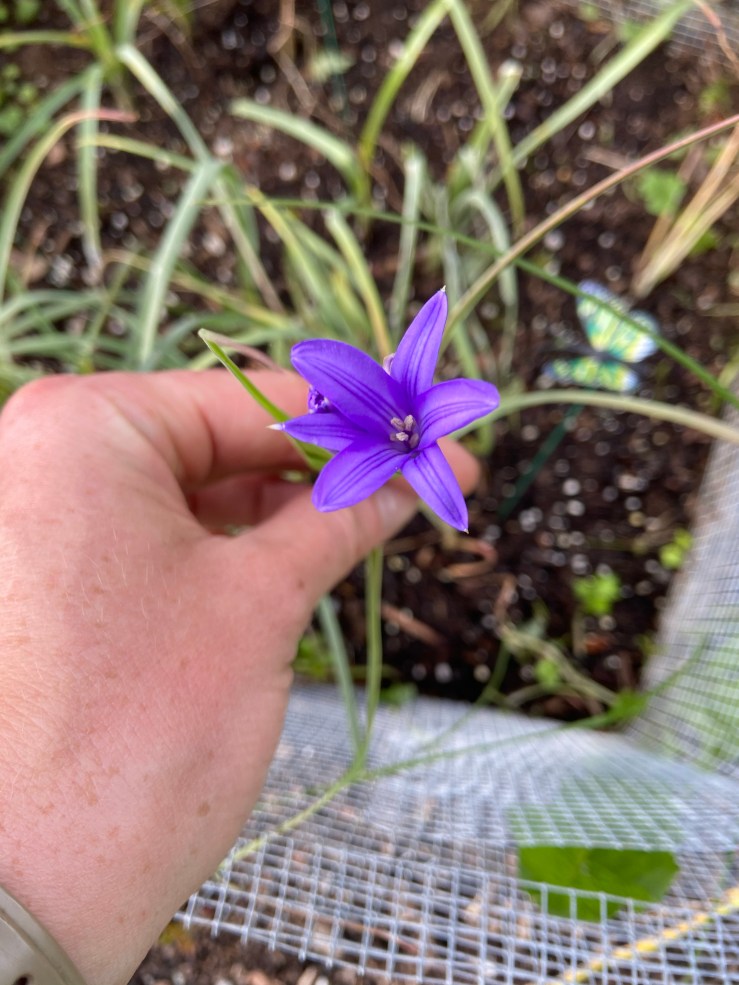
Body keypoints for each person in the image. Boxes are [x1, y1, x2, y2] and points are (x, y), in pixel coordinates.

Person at [0, 369, 479, 985]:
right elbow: (340, 488)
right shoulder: (390, 453)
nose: (404, 430)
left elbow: (467, 405)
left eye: (408, 431)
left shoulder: (419, 431)